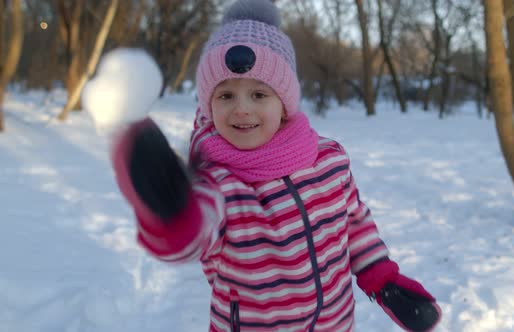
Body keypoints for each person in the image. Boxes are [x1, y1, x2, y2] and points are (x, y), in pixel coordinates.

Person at [110, 0, 442, 331]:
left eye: (259, 95)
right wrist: (170, 211)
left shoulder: (329, 159)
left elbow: (353, 222)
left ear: (284, 104)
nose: (241, 109)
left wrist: (382, 278)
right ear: (209, 105)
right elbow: (193, 233)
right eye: (225, 96)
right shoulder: (217, 185)